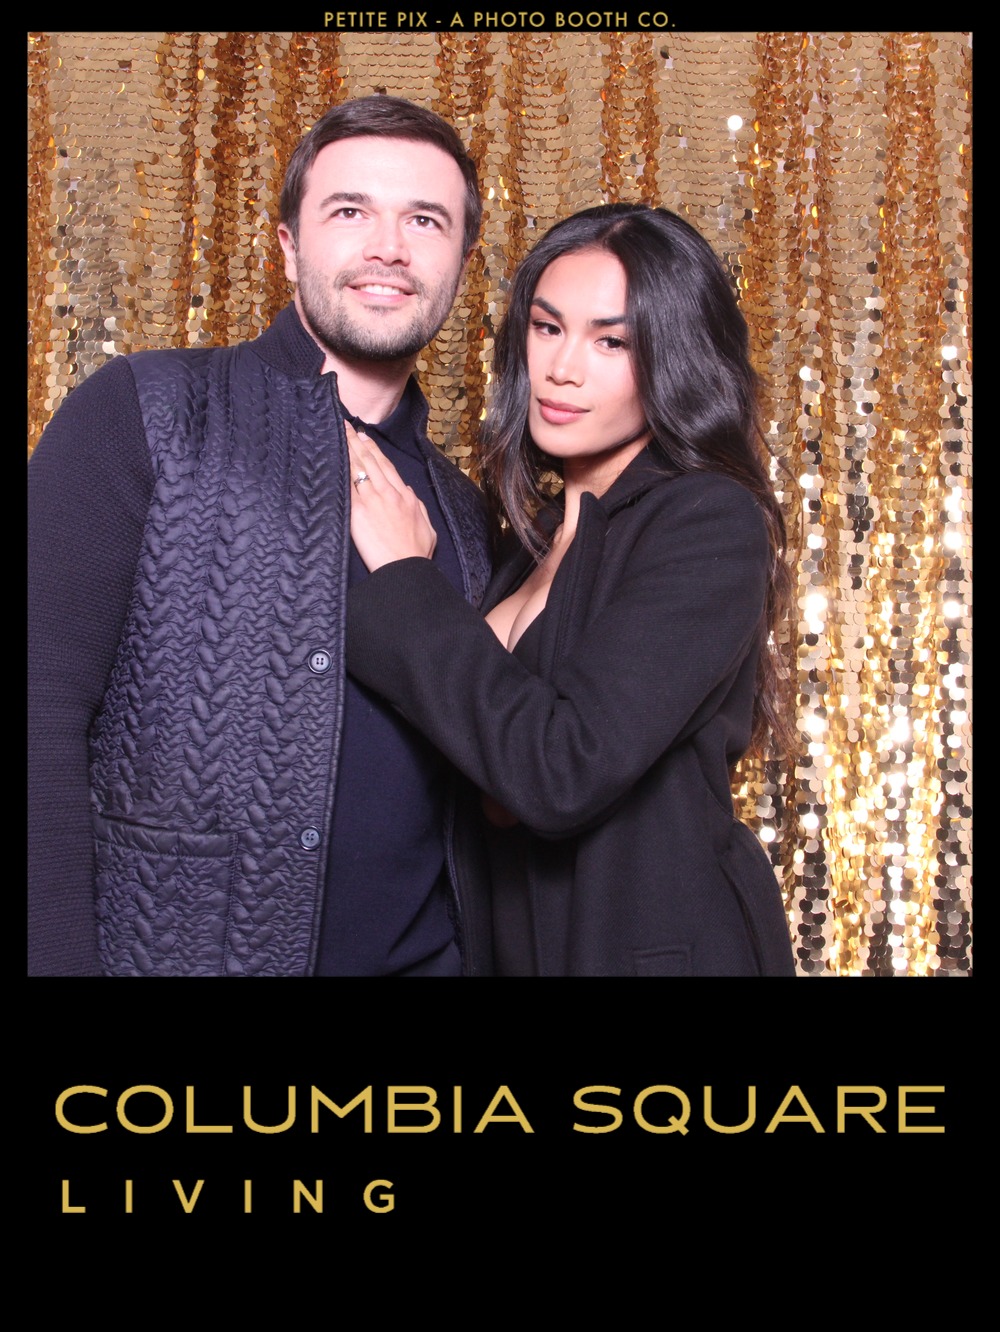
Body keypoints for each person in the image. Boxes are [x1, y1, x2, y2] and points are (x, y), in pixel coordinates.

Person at [28, 95, 491, 977]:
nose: (388, 247)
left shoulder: (465, 515)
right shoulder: (149, 413)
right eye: (349, 211)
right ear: (287, 245)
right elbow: (36, 708)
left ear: (463, 261)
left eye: (425, 220)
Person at [345, 203, 796, 976]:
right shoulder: (530, 541)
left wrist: (405, 578)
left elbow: (560, 771)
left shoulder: (707, 520)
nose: (562, 368)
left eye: (612, 341)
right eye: (548, 327)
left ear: (677, 359)